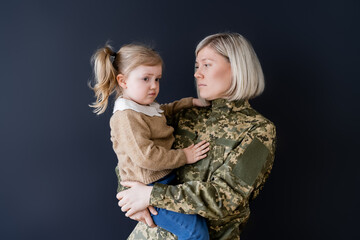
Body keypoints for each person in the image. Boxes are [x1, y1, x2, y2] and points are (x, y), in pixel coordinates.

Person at [116, 32, 277, 240]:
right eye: (196, 66)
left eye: (207, 65)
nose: (197, 74)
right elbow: (131, 154)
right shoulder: (183, 114)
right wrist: (129, 198)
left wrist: (150, 195)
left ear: (237, 67)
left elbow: (225, 199)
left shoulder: (259, 130)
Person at [89, 43, 211, 240]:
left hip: (162, 182)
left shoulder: (143, 105)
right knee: (195, 232)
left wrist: (188, 102)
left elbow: (163, 111)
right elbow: (148, 157)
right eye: (145, 79)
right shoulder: (126, 117)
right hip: (148, 188)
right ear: (123, 81)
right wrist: (185, 156)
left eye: (157, 79)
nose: (154, 86)